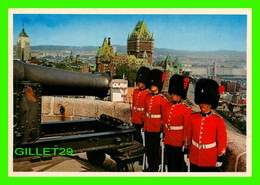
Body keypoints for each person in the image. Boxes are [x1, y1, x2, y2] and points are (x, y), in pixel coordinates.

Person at [184, 79, 227, 172]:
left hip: (209, 158)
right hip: (194, 156)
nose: (203, 104)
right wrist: (186, 151)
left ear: (211, 104)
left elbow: (222, 140)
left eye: (206, 102)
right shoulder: (192, 117)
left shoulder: (218, 120)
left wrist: (220, 156)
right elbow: (188, 136)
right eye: (201, 102)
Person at [162, 74, 192, 172]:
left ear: (180, 94)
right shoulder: (167, 105)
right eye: (173, 93)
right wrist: (164, 136)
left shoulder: (186, 109)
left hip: (178, 141)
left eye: (176, 94)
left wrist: (186, 144)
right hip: (168, 139)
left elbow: (187, 129)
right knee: (169, 164)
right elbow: (165, 123)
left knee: (178, 166)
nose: (173, 95)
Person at [143, 69, 168, 172]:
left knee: (155, 149)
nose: (152, 86)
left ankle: (155, 167)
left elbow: (164, 117)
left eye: (154, 85)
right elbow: (145, 112)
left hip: (156, 127)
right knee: (148, 148)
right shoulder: (147, 97)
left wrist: (163, 130)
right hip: (148, 126)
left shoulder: (163, 100)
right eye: (151, 85)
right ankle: (150, 166)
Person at [131, 67, 150, 145]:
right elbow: (133, 106)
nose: (139, 84)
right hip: (135, 119)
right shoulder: (136, 92)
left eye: (141, 82)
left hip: (142, 121)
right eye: (139, 82)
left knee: (141, 142)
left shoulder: (147, 94)